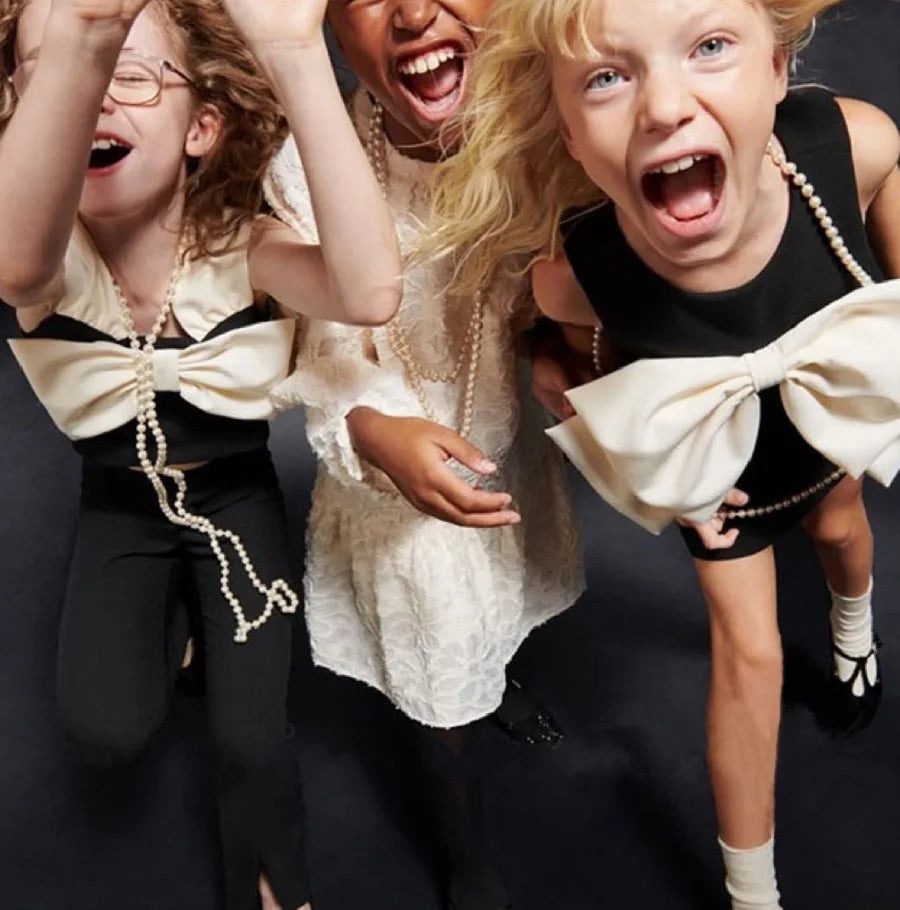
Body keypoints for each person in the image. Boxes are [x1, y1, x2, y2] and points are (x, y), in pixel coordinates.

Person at [424, 0, 900, 907]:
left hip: (825, 435)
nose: (664, 108)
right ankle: (751, 891)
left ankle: (852, 629)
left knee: (843, 535)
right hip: (721, 483)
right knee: (748, 655)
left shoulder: (855, 147)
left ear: (777, 65)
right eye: (608, 76)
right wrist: (555, 378)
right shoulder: (583, 270)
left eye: (711, 47)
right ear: (568, 129)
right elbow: (567, 345)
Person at [0, 1, 402, 907]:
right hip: (119, 506)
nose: (95, 97)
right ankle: (178, 637)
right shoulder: (37, 261)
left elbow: (369, 290)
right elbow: (15, 261)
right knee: (106, 730)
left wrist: (299, 55)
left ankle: (276, 891)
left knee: (254, 741)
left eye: (131, 76)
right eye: (58, 77)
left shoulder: (241, 248)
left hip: (234, 506)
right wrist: (83, 36)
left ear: (201, 127)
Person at [263, 2, 584, 906]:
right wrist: (375, 433)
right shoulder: (302, 169)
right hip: (391, 471)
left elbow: (546, 290)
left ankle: (500, 671)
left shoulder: (537, 129)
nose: (411, 10)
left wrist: (556, 350)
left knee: (503, 591)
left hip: (501, 437)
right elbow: (315, 351)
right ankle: (463, 845)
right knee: (437, 659)